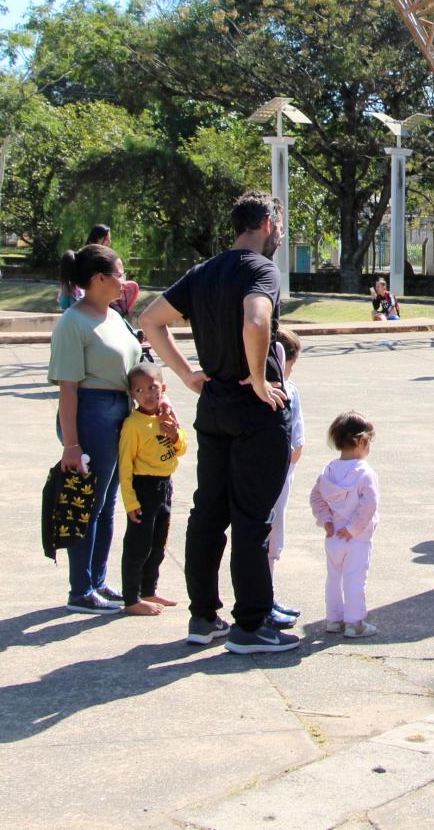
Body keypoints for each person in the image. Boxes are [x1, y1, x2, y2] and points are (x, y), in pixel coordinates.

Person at [138, 191, 300, 655]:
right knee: (252, 519)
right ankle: (251, 625)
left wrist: (188, 373)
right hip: (255, 409)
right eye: (281, 227)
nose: (281, 236)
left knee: (207, 514)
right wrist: (257, 376)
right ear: (267, 224)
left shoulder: (203, 272)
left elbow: (151, 320)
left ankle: (204, 615)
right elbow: (256, 321)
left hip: (212, 407)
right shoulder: (261, 270)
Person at [48, 243, 142, 613]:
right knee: (88, 501)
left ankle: (97, 580)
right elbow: (67, 388)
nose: (124, 281)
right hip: (92, 411)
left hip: (120, 409)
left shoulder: (113, 317)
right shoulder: (74, 321)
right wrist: (71, 445)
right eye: (119, 273)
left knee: (106, 504)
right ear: (98, 278)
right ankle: (80, 588)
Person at [117, 361, 187, 617]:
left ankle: (148, 589)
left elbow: (183, 447)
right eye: (139, 390)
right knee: (138, 545)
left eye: (152, 388)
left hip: (164, 485)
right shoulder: (133, 426)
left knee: (158, 544)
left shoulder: (166, 417)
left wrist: (175, 436)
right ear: (131, 394)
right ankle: (131, 598)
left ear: (163, 388)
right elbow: (124, 466)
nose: (147, 395)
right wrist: (130, 501)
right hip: (143, 487)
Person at [310, 411, 380, 638]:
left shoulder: (328, 471)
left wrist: (326, 521)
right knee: (355, 578)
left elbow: (316, 497)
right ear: (361, 441)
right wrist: (353, 529)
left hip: (333, 537)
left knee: (334, 578)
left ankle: (334, 619)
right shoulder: (365, 473)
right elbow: (369, 505)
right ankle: (355, 622)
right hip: (357, 538)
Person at [266, 328, 306, 630]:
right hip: (274, 476)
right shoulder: (282, 390)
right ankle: (264, 600)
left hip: (282, 473)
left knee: (273, 538)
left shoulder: (291, 388)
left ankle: (268, 596)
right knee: (269, 537)